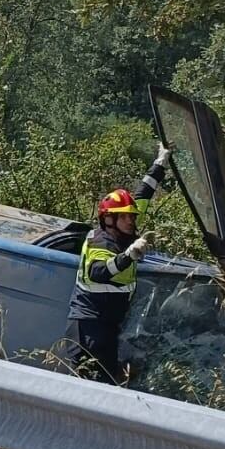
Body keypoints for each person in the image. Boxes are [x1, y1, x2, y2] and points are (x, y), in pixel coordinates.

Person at [58, 143, 173, 384]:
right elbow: (98, 271)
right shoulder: (101, 242)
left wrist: (161, 162)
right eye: (125, 217)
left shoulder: (123, 229)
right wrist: (129, 255)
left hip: (107, 325)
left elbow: (144, 193)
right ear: (109, 219)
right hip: (88, 328)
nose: (131, 221)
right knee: (92, 386)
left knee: (111, 381)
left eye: (132, 216)